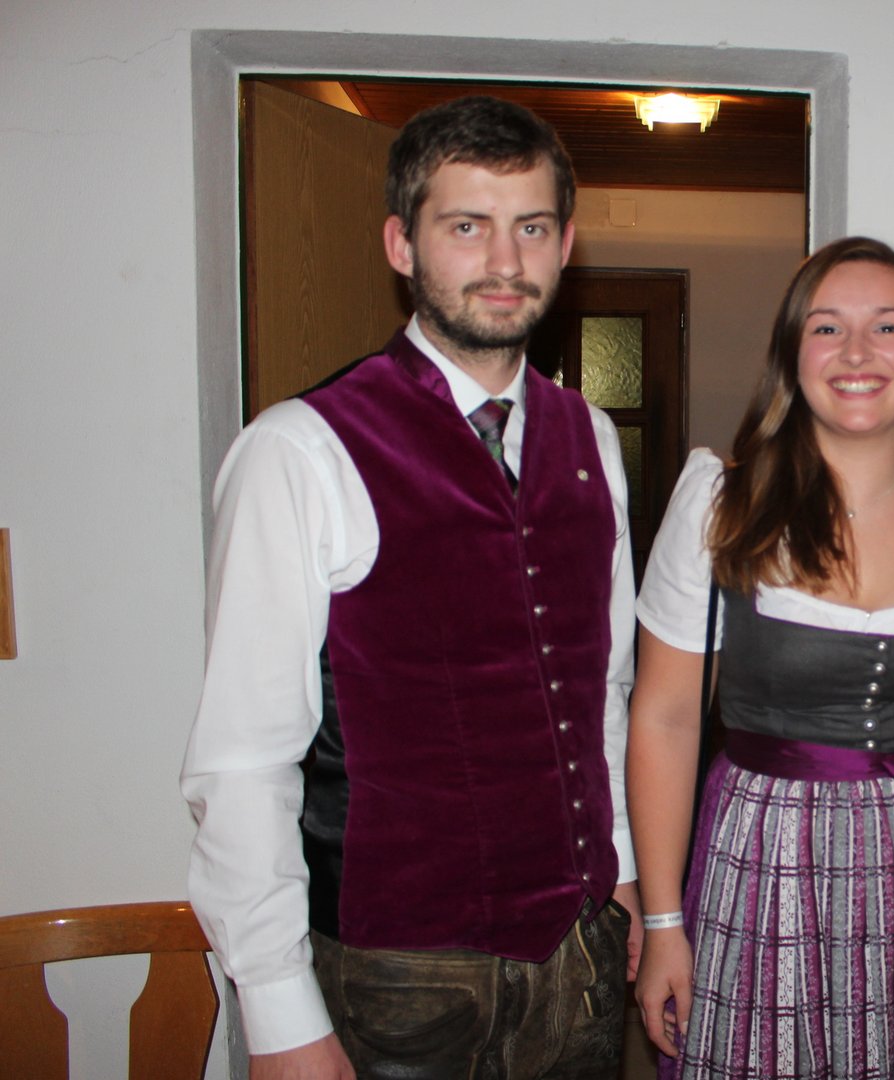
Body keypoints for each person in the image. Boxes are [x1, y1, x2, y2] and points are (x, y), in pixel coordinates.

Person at [181, 96, 641, 1079]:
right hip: (396, 975)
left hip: (579, 955)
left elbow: (601, 689)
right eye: (466, 226)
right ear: (402, 245)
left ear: (566, 245)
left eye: (531, 228)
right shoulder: (299, 451)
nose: (505, 261)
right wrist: (277, 1013)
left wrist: (625, 872)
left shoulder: (592, 439)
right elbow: (242, 762)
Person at [627, 237, 894, 1078]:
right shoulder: (719, 501)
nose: (858, 353)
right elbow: (666, 718)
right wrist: (663, 921)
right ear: (793, 353)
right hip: (768, 862)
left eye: (887, 327)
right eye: (827, 328)